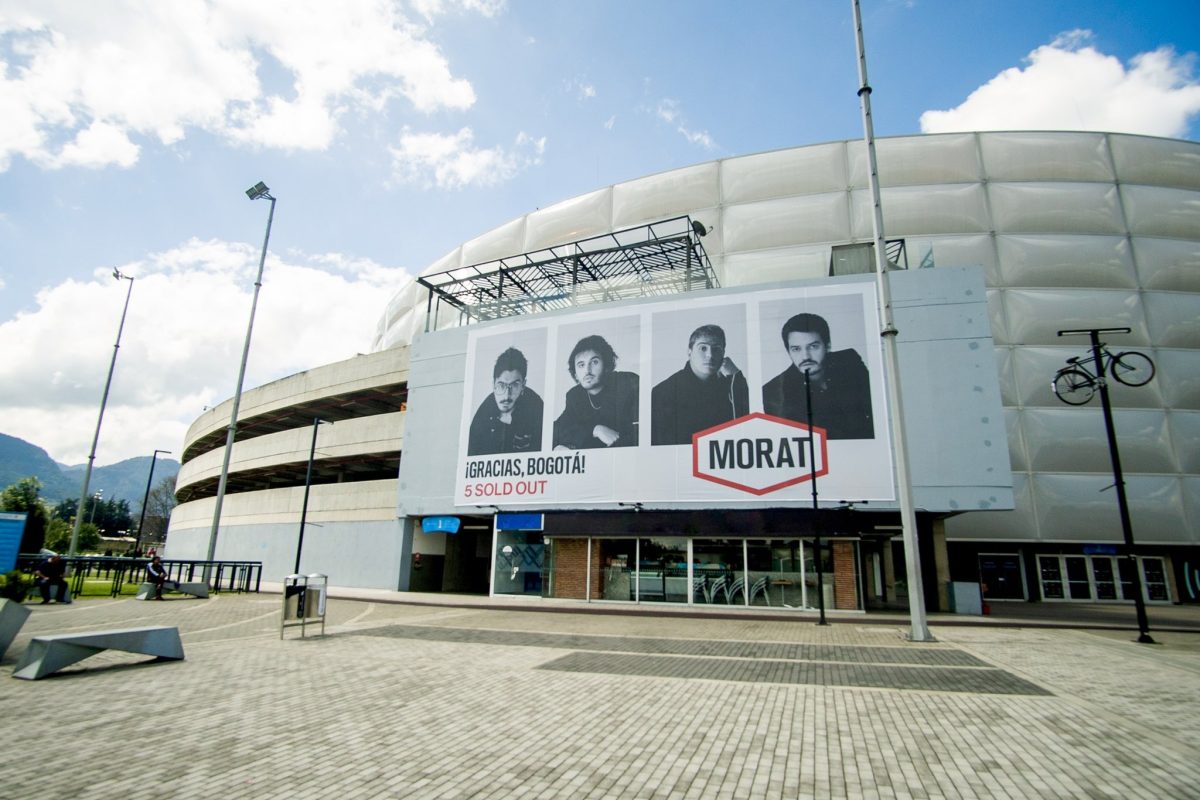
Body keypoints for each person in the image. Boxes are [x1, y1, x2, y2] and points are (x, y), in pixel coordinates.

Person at [762, 312, 874, 439]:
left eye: (813, 346)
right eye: (796, 349)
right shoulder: (773, 391)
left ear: (828, 346)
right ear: (788, 351)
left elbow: (874, 409)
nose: (805, 357)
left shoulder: (849, 360)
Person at [651, 324, 749, 445]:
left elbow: (745, 428)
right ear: (689, 351)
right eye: (703, 348)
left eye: (716, 349)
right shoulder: (664, 392)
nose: (710, 355)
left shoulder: (731, 385)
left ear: (723, 353)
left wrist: (736, 378)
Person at [553, 335, 639, 450]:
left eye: (594, 362)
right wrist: (595, 429)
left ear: (607, 365)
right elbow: (558, 430)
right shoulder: (575, 396)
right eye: (581, 365)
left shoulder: (627, 383)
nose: (587, 371)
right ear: (575, 375)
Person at [467, 347, 545, 455]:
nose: (507, 394)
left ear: (523, 385)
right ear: (493, 384)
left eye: (514, 385)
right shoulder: (484, 413)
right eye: (501, 385)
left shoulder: (536, 407)